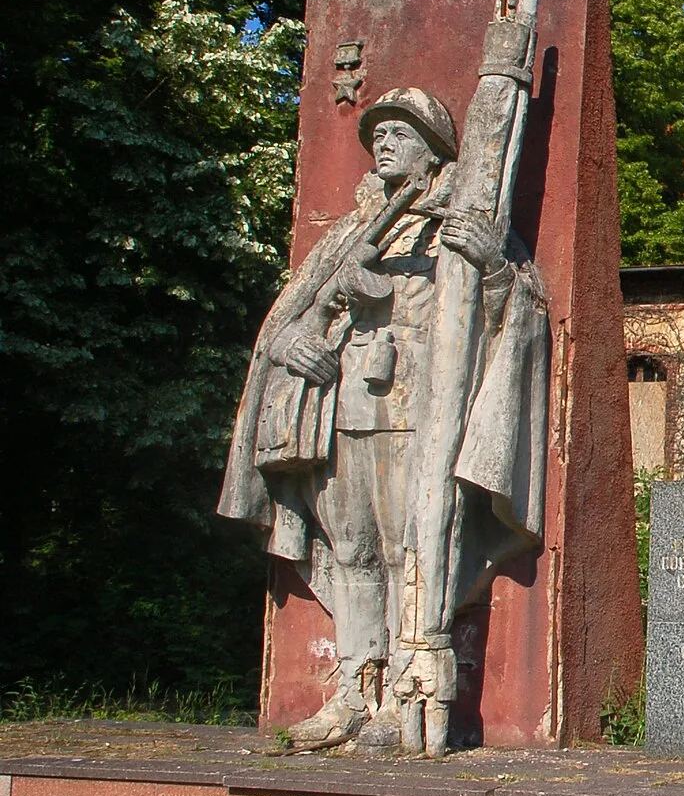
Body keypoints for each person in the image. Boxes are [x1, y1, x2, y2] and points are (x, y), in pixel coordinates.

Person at [219, 87, 549, 750]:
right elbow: (284, 324)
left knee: (412, 552)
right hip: (345, 410)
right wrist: (296, 346)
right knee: (351, 551)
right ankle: (351, 693)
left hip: (419, 419)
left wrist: (491, 264)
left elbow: (522, 318)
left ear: (434, 149)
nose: (384, 142)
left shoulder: (463, 223)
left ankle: (407, 693)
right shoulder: (350, 230)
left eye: (400, 132)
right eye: (378, 133)